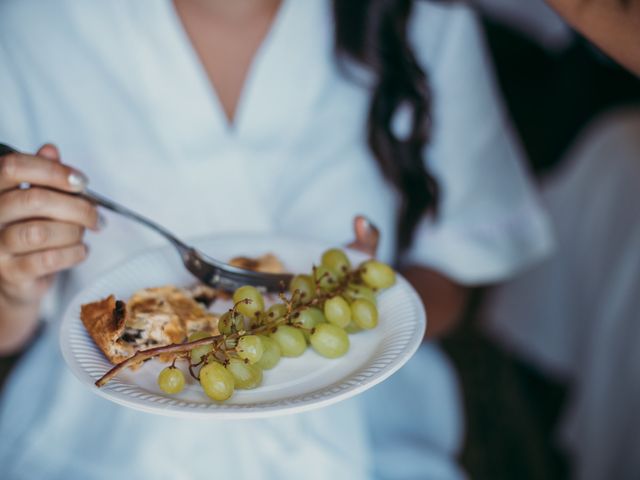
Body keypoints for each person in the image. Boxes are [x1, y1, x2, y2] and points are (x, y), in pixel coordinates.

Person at [0, 0, 552, 478]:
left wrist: (372, 307)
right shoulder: (31, 26)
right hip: (94, 441)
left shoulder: (426, 19)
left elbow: (464, 267)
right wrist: (16, 285)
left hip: (370, 442)